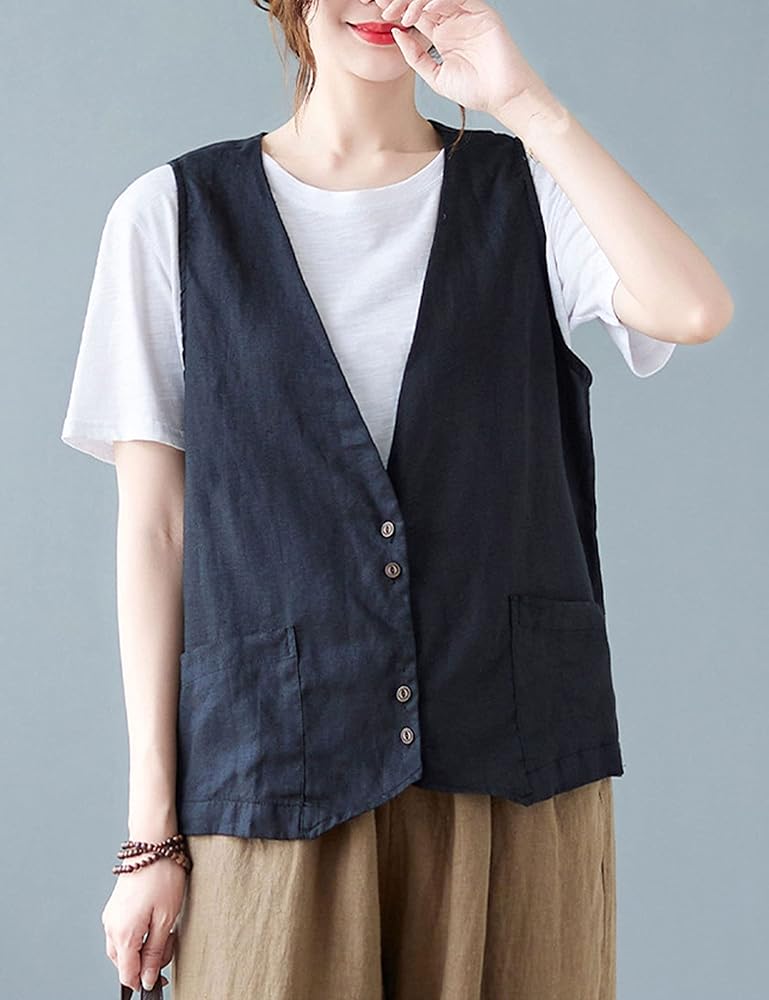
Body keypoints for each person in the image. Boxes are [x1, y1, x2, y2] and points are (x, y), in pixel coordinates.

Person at [60, 0, 733, 997]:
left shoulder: (531, 190)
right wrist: (149, 835)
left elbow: (693, 307)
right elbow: (156, 531)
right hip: (274, 775)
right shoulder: (169, 215)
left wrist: (525, 103)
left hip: (512, 772)